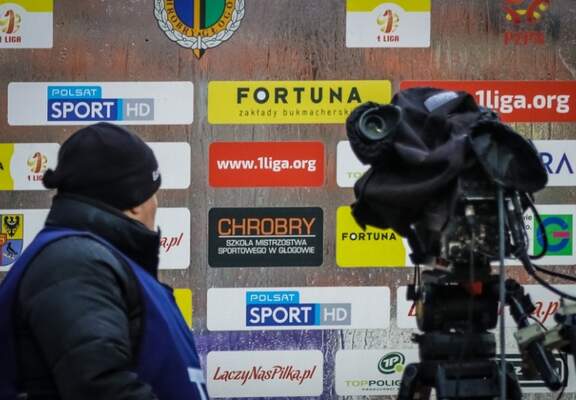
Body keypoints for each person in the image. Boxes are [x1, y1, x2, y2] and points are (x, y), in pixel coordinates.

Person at [0, 123, 208, 400]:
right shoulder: (73, 265)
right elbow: (101, 386)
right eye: (153, 193)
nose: (156, 203)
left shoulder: (91, 259)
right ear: (135, 203)